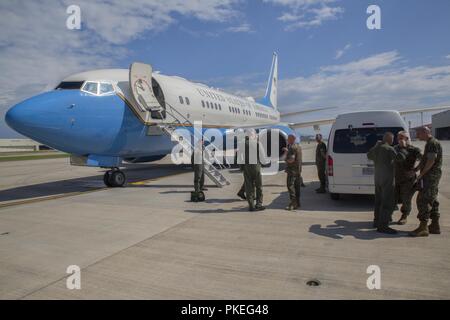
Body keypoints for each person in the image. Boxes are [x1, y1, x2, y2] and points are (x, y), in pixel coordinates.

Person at [409, 126, 443, 237]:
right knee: (432, 199)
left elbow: (431, 161)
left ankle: (423, 228)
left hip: (430, 177)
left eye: (418, 133)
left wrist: (421, 175)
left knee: (423, 200)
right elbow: (425, 160)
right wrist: (416, 169)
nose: (417, 136)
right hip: (430, 176)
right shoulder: (429, 143)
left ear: (425, 132)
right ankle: (434, 225)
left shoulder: (432, 143)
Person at [367, 132, 402, 234]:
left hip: (378, 178)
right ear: (389, 139)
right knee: (387, 202)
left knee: (378, 200)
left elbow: (369, 155)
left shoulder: (377, 148)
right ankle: (383, 226)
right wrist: (403, 148)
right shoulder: (389, 149)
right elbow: (400, 158)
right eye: (392, 139)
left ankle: (376, 221)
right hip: (387, 179)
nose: (393, 141)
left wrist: (376, 145)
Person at [393, 131, 422, 225]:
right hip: (396, 178)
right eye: (398, 138)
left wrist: (415, 170)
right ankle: (388, 215)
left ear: (407, 138)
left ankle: (404, 216)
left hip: (408, 180)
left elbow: (424, 160)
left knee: (406, 199)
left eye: (402, 137)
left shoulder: (414, 150)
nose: (400, 140)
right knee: (393, 198)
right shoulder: (395, 148)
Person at [240, 129, 265, 211]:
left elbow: (240, 156)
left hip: (247, 167)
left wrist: (242, 167)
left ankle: (251, 205)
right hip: (256, 167)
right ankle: (259, 204)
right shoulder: (258, 143)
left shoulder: (243, 144)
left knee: (249, 187)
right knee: (258, 186)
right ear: (254, 134)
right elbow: (262, 156)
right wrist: (264, 163)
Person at [282, 134, 303, 210]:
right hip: (298, 170)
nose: (287, 140)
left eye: (288, 138)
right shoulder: (298, 146)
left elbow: (292, 159)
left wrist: (286, 159)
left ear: (292, 139)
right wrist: (288, 151)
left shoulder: (292, 147)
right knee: (297, 187)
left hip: (292, 171)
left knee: (290, 186)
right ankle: (298, 203)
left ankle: (293, 204)